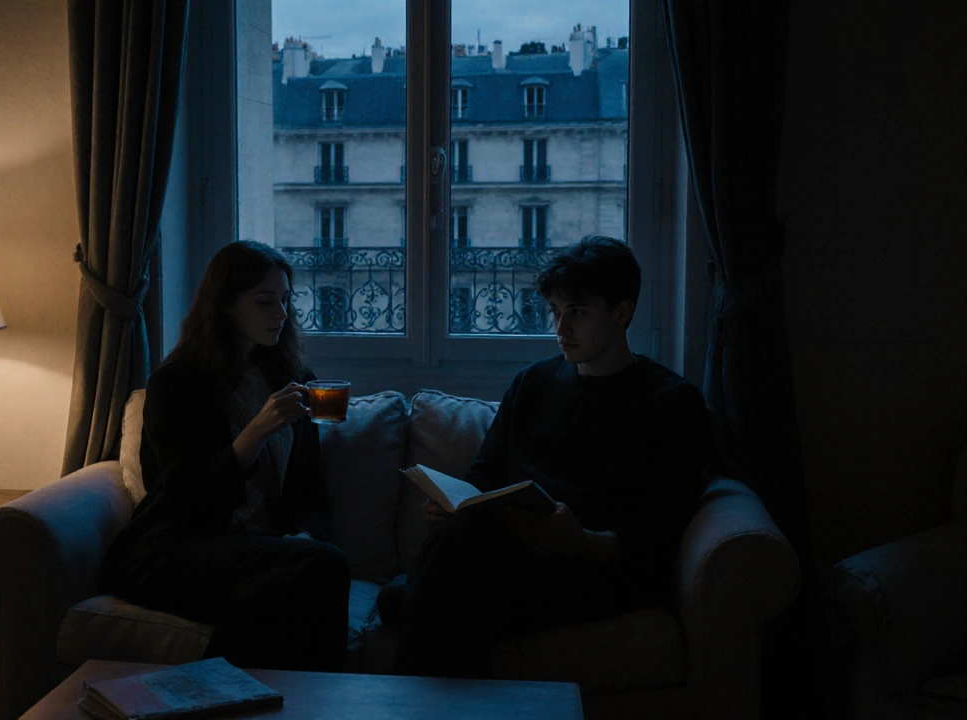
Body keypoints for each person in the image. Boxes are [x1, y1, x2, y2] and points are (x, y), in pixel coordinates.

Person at [382, 235, 714, 678]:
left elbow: (661, 531)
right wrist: (453, 503)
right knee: (434, 573)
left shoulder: (672, 402)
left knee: (414, 596)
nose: (561, 329)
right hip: (512, 558)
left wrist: (580, 541)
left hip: (591, 570)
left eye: (577, 312)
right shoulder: (533, 383)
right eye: (555, 312)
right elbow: (484, 475)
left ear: (622, 311)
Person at [99, 241, 349, 672]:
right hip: (176, 546)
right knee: (322, 568)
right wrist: (254, 433)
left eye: (286, 301)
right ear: (226, 305)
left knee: (285, 580)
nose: (281, 314)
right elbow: (185, 501)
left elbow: (310, 488)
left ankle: (214, 697)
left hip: (258, 551)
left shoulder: (293, 379)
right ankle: (216, 695)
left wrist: (306, 534)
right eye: (265, 301)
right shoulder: (179, 384)